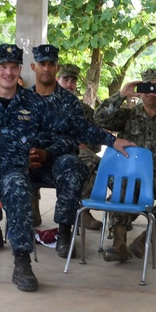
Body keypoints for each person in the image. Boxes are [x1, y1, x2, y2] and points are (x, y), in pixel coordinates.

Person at [0, 44, 128, 291]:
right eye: (2, 67)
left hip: (8, 174)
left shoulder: (34, 104)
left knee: (19, 185)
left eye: (13, 67)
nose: (8, 72)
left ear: (20, 70)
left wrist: (112, 140)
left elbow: (77, 126)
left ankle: (22, 263)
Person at [0, 44, 111, 258]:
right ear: (33, 67)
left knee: (73, 165)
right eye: (42, 64)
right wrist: (21, 154)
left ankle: (64, 232)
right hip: (21, 162)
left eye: (51, 64)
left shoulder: (70, 103)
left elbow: (74, 138)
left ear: (56, 67)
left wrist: (47, 153)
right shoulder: (20, 98)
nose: (46, 68)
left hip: (54, 161)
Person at [93, 66, 156, 262]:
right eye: (146, 86)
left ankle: (144, 239)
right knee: (119, 187)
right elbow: (98, 118)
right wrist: (121, 95)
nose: (150, 92)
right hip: (131, 171)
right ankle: (119, 243)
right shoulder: (129, 115)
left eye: (155, 87)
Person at [58, 62, 103, 231]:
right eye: (65, 79)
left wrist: (86, 145)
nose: (69, 84)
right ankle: (32, 208)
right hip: (50, 154)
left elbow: (97, 141)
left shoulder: (84, 110)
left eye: (72, 81)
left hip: (77, 154)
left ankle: (82, 209)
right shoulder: (44, 104)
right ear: (57, 80)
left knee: (97, 163)